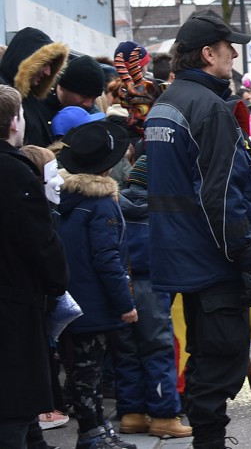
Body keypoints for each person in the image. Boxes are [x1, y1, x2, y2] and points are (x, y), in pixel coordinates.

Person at [144, 12, 251, 449]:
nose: (234, 54)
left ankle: (207, 435)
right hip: (211, 257)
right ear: (208, 53)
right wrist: (246, 258)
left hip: (180, 253)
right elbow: (221, 197)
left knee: (204, 350)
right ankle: (209, 440)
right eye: (228, 46)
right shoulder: (209, 107)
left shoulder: (168, 102)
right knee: (223, 354)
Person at [53, 120, 137, 449]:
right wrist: (125, 304)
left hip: (70, 298)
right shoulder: (101, 203)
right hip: (95, 301)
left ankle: (98, 429)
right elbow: (107, 259)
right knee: (89, 372)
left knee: (82, 370)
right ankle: (92, 434)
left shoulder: (64, 198)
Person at [0, 85, 68, 449]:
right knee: (12, 412)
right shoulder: (16, 173)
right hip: (14, 306)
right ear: (14, 123)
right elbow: (40, 244)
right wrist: (56, 283)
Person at [113, 156, 191, 439]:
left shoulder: (114, 204)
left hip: (120, 285)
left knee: (126, 351)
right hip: (153, 286)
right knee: (157, 350)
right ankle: (163, 415)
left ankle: (131, 414)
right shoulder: (163, 209)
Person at [0, 27, 68, 148]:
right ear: (25, 59)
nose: (48, 72)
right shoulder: (3, 93)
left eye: (51, 65)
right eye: (44, 63)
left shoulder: (33, 97)